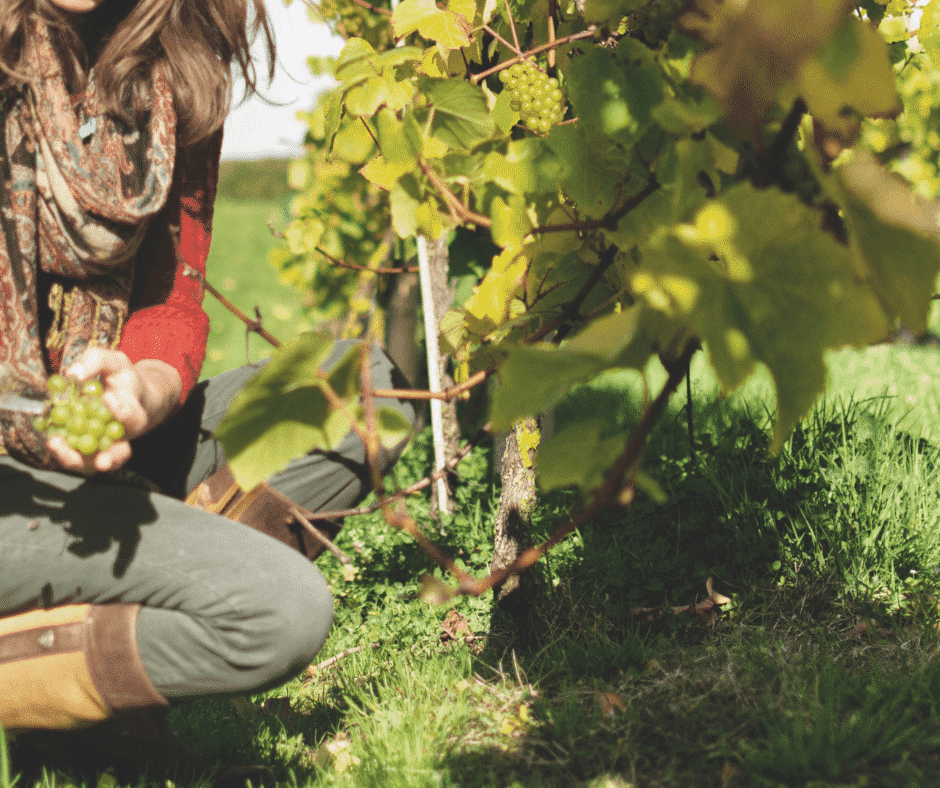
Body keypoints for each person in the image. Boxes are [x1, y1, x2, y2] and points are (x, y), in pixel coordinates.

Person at [0, 0, 417, 783]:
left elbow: (170, 295)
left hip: (85, 451)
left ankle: (92, 677)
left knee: (356, 389)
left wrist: (145, 388)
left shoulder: (173, 59)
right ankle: (95, 705)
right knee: (277, 611)